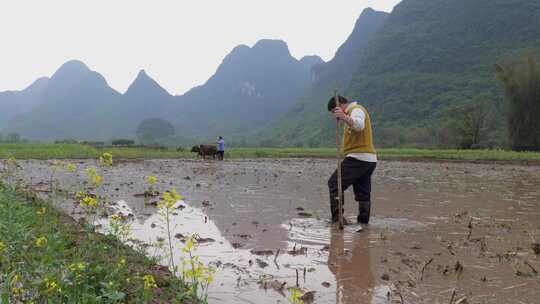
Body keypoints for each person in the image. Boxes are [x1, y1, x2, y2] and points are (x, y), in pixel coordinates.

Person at [327, 95, 377, 225]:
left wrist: (343, 117)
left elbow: (359, 125)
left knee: (334, 183)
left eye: (334, 112)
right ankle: (363, 224)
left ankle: (337, 219)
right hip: (368, 160)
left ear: (340, 106)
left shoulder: (356, 109)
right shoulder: (350, 114)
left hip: (358, 158)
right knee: (363, 193)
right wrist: (344, 118)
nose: (335, 115)